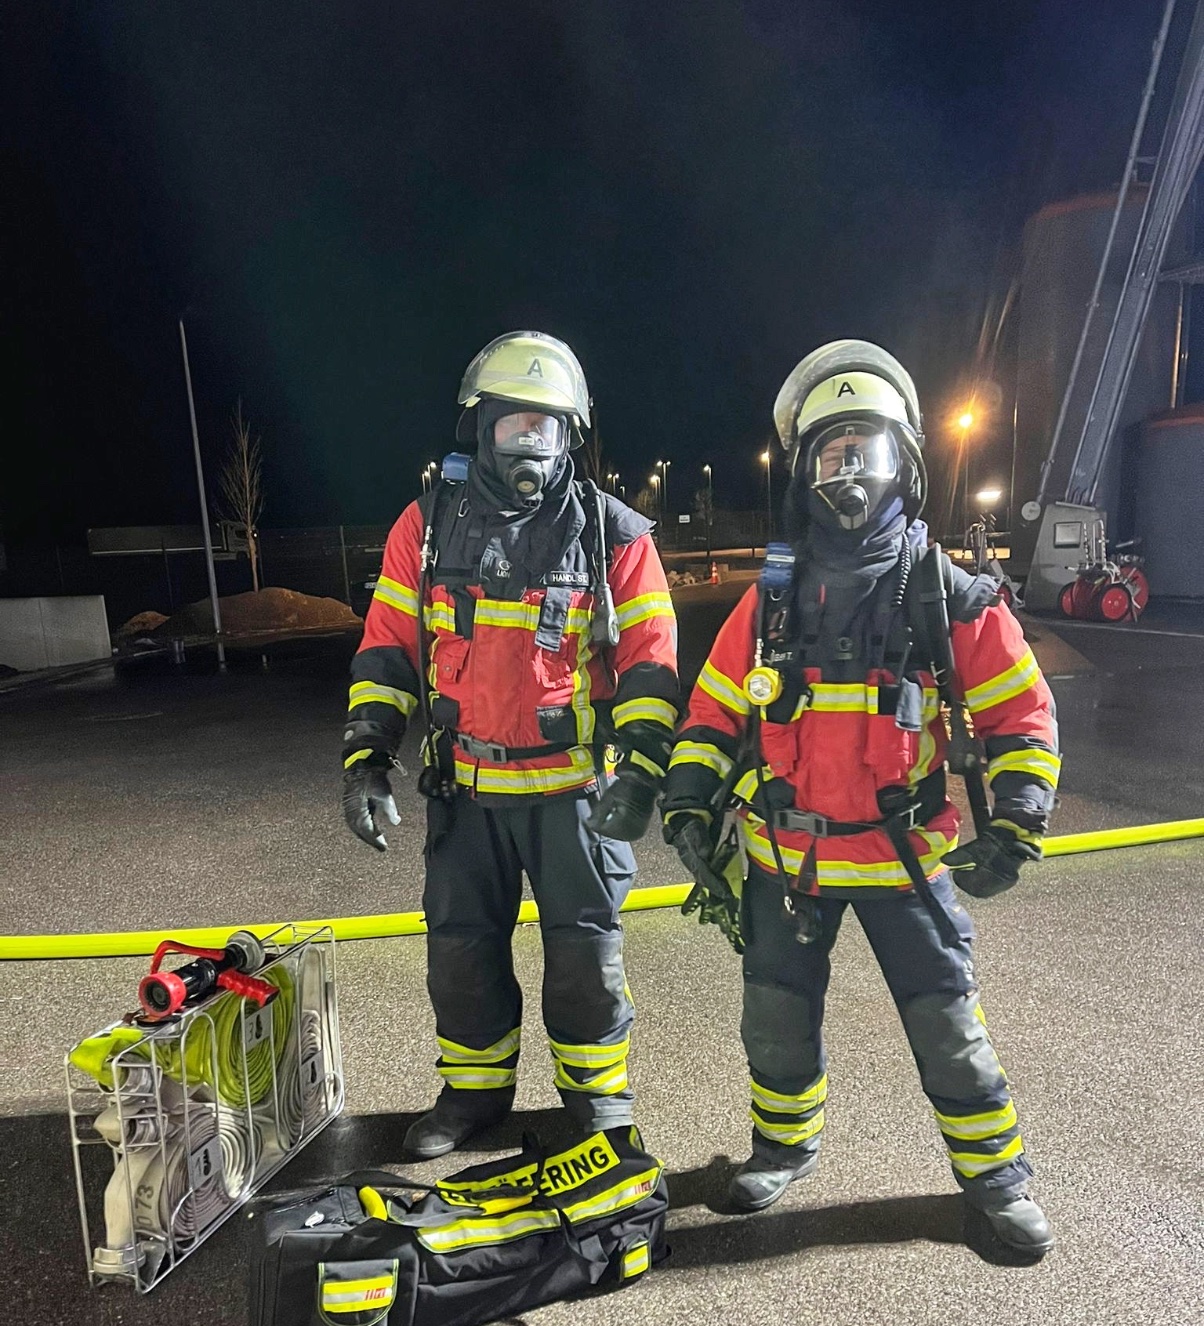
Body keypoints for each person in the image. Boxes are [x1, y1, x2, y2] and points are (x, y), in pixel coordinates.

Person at [661, 340, 1059, 1254]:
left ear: (903, 464)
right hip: (785, 861)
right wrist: (686, 801)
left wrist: (1019, 822)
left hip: (901, 861)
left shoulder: (945, 592)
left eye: (865, 450)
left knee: (947, 1024)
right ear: (804, 472)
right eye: (831, 453)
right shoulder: (771, 599)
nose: (849, 472)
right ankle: (782, 1146)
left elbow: (1021, 713)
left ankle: (995, 1180)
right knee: (774, 1018)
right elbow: (714, 709)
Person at [342, 331, 679, 1158]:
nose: (530, 442)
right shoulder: (427, 526)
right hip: (466, 793)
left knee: (586, 957)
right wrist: (367, 758)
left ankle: (597, 1097)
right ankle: (474, 1094)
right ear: (480, 425)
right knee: (460, 954)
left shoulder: (613, 534)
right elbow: (388, 649)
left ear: (571, 435)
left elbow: (651, 662)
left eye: (546, 427)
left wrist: (643, 768)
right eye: (513, 424)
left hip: (576, 799)